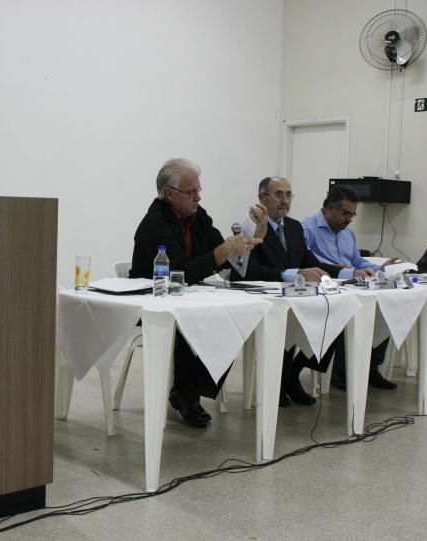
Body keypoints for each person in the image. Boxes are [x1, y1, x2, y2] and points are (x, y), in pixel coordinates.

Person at [130, 158, 264, 428]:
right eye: (191, 192)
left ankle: (188, 391)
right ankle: (186, 394)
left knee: (232, 318)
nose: (198, 198)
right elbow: (179, 272)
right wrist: (222, 253)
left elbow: (220, 253)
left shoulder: (198, 216)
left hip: (186, 296)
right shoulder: (154, 223)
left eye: (198, 190)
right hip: (153, 300)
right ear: (170, 194)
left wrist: (245, 242)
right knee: (199, 321)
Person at [243, 176, 343, 407]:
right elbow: (250, 272)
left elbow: (312, 264)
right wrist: (294, 273)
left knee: (336, 315)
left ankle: (292, 374)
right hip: (265, 299)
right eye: (278, 194)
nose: (285, 200)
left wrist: (349, 272)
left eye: (289, 195)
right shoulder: (250, 226)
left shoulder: (294, 227)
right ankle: (277, 381)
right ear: (262, 198)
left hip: (296, 298)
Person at [300, 186, 399, 390]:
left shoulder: (348, 234)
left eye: (353, 214)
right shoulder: (306, 229)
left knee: (385, 306)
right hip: (325, 287)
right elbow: (306, 261)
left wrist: (381, 268)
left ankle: (371, 367)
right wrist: (345, 271)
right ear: (329, 208)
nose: (349, 219)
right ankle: (341, 372)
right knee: (350, 308)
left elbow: (358, 262)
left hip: (353, 284)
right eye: (346, 213)